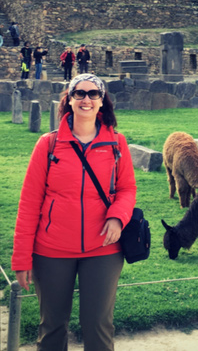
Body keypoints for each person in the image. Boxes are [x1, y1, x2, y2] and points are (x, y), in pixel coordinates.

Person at [12, 73, 137, 351]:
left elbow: (127, 188)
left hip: (103, 248)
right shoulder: (49, 144)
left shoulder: (117, 143)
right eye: (79, 93)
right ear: (68, 100)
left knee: (98, 326)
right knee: (52, 327)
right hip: (52, 250)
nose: (86, 99)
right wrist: (21, 257)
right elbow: (29, 202)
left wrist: (118, 216)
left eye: (93, 94)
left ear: (102, 101)